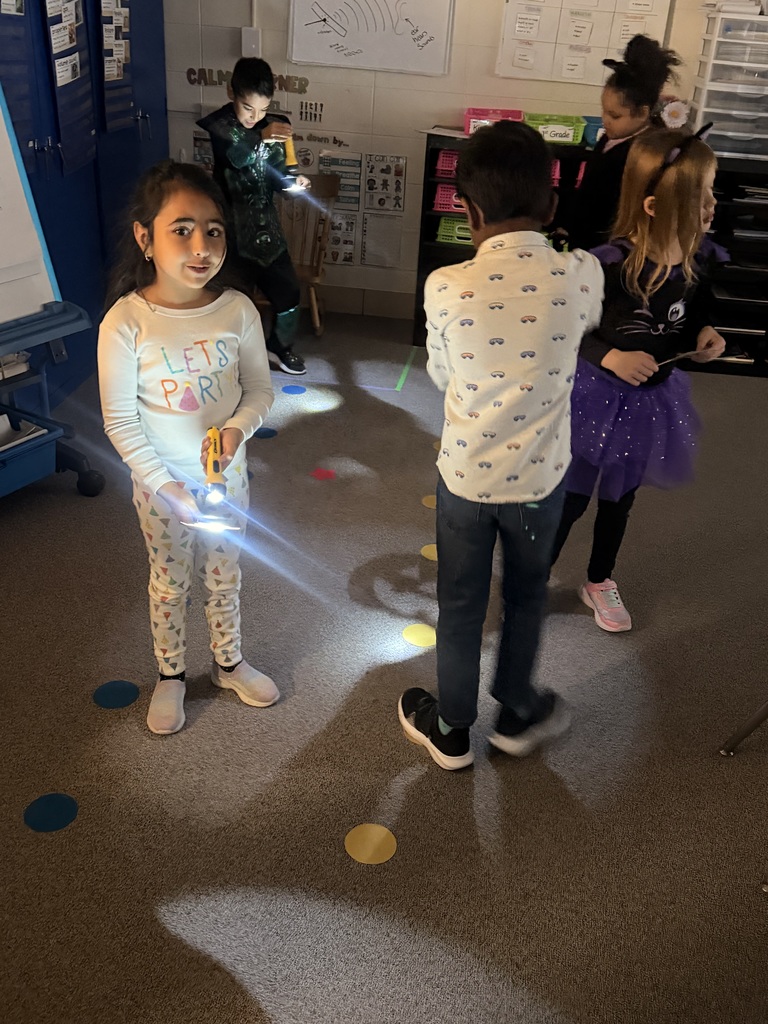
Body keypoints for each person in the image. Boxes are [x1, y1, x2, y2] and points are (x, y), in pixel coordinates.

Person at [397, 122, 605, 771]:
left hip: (466, 479)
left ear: (467, 212)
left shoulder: (445, 284)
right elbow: (588, 321)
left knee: (459, 604)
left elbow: (441, 374)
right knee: (526, 595)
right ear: (551, 204)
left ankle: (452, 729)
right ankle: (517, 712)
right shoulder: (581, 274)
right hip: (540, 482)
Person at [98, 160, 278, 735]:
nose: (202, 246)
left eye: (213, 230)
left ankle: (229, 663)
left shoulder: (237, 309)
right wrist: (167, 487)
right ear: (144, 237)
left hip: (227, 480)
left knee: (225, 575)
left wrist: (237, 431)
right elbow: (120, 422)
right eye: (181, 229)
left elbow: (259, 389)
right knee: (170, 582)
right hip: (161, 488)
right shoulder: (126, 322)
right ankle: (171, 674)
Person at [549, 128, 728, 632]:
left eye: (712, 191)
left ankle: (599, 579)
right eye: (700, 196)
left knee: (619, 500)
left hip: (650, 404)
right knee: (572, 497)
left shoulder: (697, 258)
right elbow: (566, 329)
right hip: (594, 400)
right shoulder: (608, 264)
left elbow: (696, 314)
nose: (712, 205)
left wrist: (706, 333)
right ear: (653, 205)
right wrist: (610, 357)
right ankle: (533, 570)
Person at [197, 57, 310, 376]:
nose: (255, 117)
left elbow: (283, 175)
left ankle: (281, 346)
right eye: (248, 108)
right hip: (230, 232)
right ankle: (232, 358)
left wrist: (295, 183)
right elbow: (234, 157)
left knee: (289, 292)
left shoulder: (277, 125)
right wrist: (261, 137)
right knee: (234, 299)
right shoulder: (220, 125)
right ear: (231, 92)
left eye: (262, 110)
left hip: (267, 229)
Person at [564, 35, 682, 252]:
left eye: (615, 115)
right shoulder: (612, 136)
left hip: (609, 247)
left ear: (643, 113)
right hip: (586, 237)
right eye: (604, 111)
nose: (605, 120)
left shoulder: (643, 152)